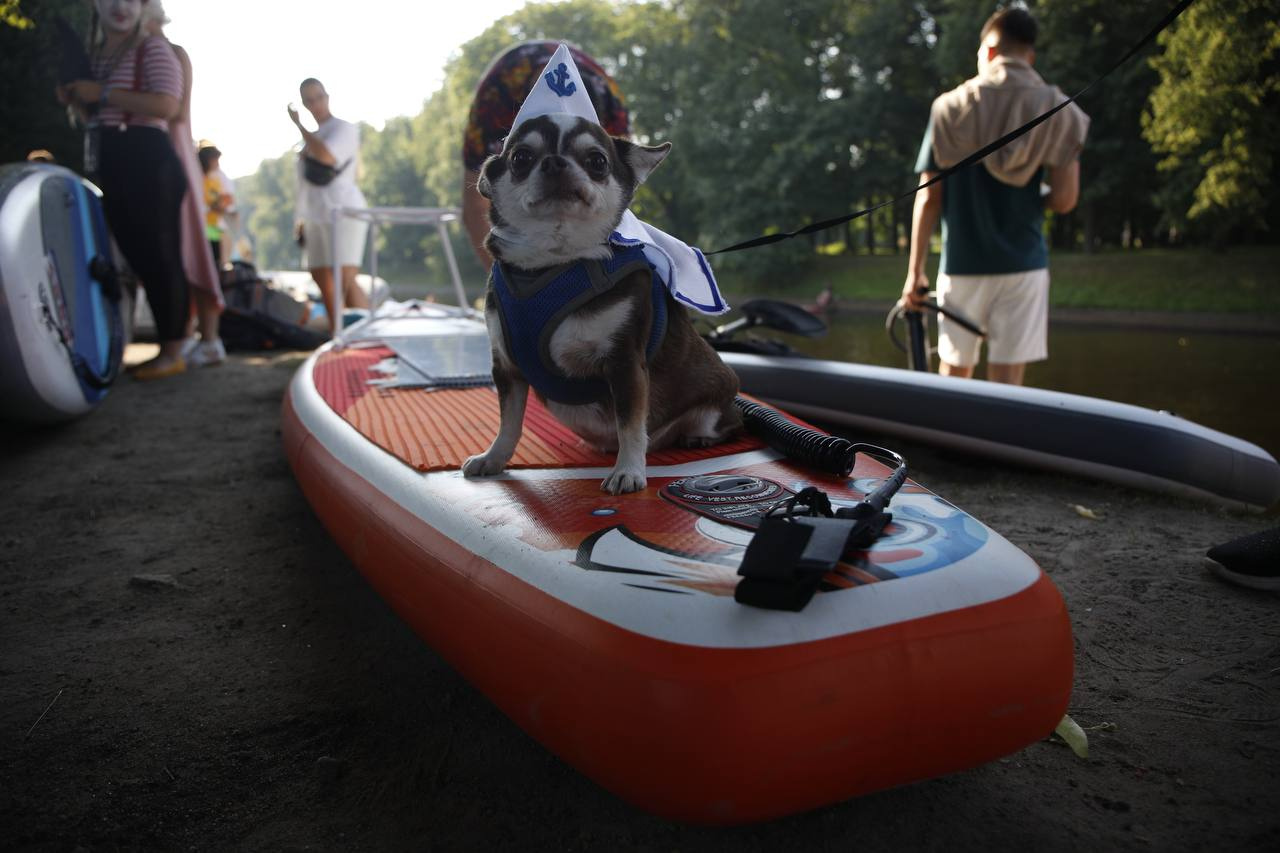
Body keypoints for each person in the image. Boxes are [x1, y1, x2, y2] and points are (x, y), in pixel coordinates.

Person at [902, 7, 1089, 386]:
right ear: (1029, 55)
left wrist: (914, 274)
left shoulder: (949, 108)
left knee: (954, 376)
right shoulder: (1059, 110)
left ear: (987, 51)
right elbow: (1066, 200)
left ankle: (949, 445)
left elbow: (928, 198)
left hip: (962, 265)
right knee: (1007, 385)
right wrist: (1039, 194)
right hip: (1024, 265)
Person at [58, 0, 189, 380]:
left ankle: (173, 348)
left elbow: (167, 104)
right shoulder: (99, 54)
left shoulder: (151, 47)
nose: (120, 6)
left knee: (160, 254)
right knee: (132, 254)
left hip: (148, 158)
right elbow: (94, 113)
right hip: (112, 156)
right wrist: (78, 98)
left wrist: (100, 92)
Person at [461, 41, 629, 269]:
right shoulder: (494, 101)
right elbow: (474, 202)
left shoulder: (614, 110)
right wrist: (504, 283)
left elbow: (620, 197)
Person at [142, 1, 225, 369]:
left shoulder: (171, 54)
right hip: (161, 163)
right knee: (174, 255)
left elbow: (173, 110)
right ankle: (194, 336)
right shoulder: (134, 55)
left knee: (194, 254)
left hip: (174, 162)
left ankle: (209, 340)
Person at [289, 78, 368, 335]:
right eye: (310, 100)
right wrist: (299, 220)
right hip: (315, 215)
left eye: (319, 97)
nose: (316, 104)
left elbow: (327, 156)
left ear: (327, 96)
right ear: (304, 103)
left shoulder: (343, 129)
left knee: (344, 278)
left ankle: (365, 335)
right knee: (320, 275)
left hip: (344, 210)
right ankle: (338, 337)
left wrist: (299, 125)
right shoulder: (306, 142)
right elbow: (304, 187)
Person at [197, 140, 234, 269]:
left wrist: (222, 206)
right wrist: (211, 207)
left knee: (216, 261)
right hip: (201, 227)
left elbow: (228, 199)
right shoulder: (197, 178)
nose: (217, 164)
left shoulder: (217, 178)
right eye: (215, 160)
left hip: (214, 228)